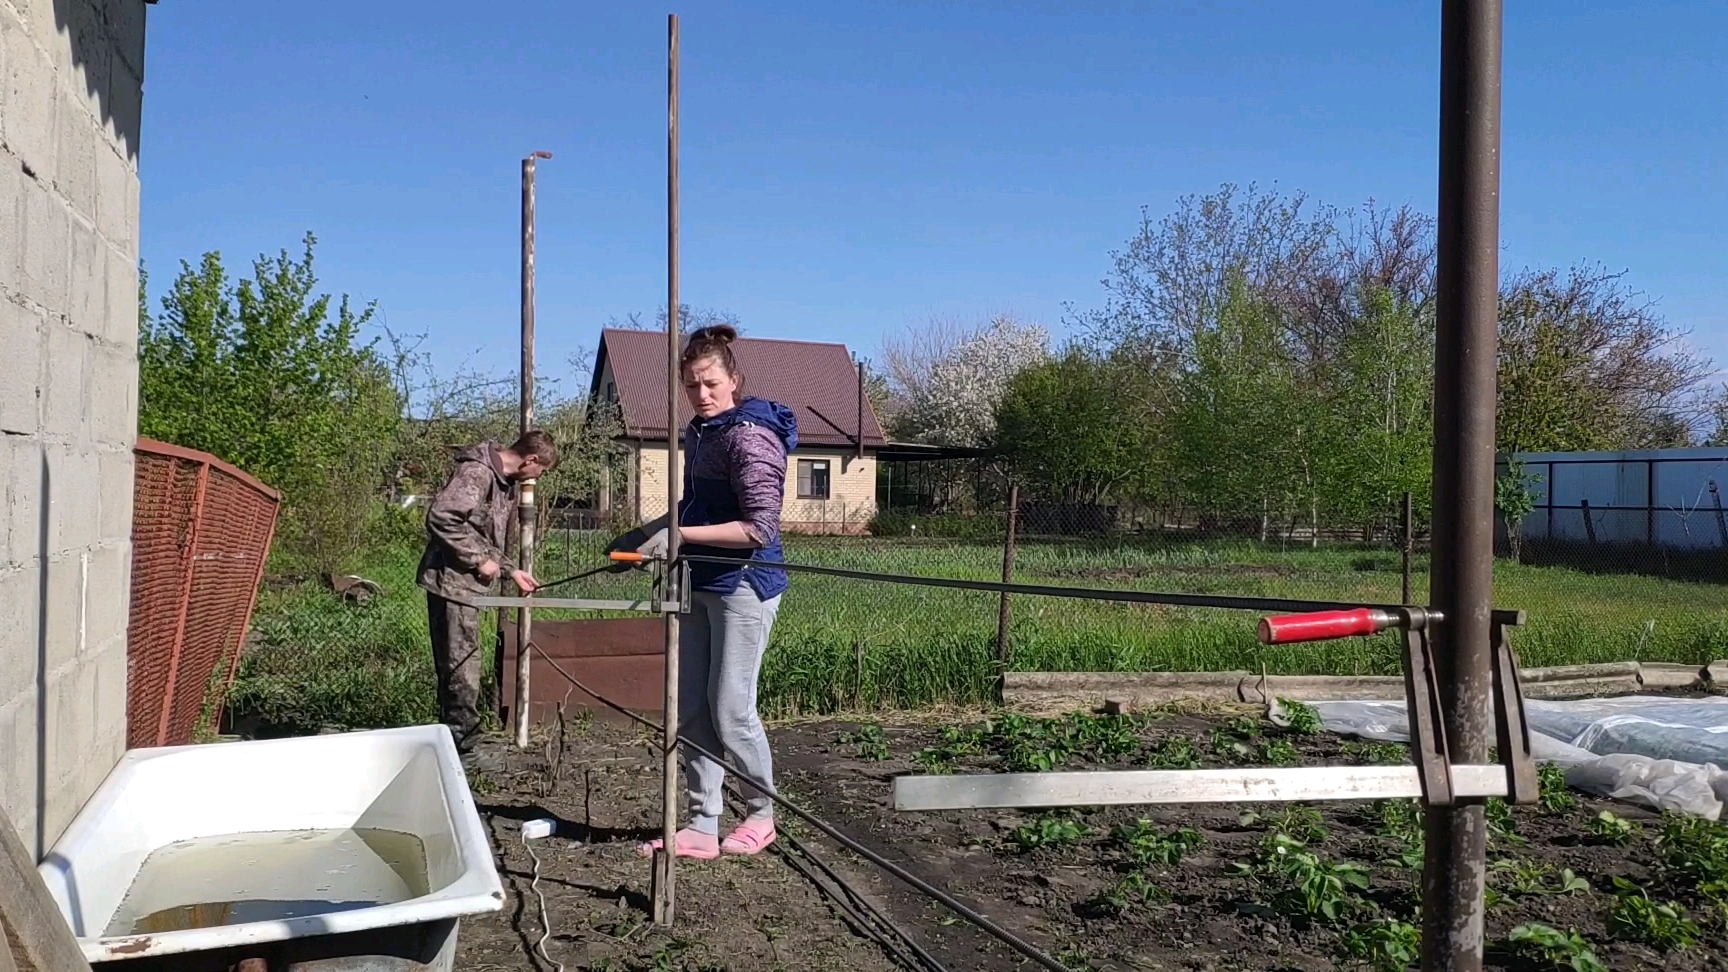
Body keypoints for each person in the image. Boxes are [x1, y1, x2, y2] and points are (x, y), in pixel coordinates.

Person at [611, 324, 797, 859]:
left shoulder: (750, 436)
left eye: (711, 383)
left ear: (733, 379)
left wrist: (679, 536)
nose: (703, 394)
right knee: (691, 705)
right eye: (692, 386)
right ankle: (701, 824)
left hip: (744, 584)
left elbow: (759, 526)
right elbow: (693, 509)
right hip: (699, 577)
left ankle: (761, 816)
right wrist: (646, 534)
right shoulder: (701, 432)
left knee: (731, 710)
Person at [417, 430, 558, 754]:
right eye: (542, 471)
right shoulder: (477, 472)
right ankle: (463, 754)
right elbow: (442, 517)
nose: (539, 478)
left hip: (465, 586)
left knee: (464, 667)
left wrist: (511, 571)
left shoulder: (501, 482)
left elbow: (481, 536)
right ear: (531, 460)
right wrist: (478, 560)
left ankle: (455, 746)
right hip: (451, 584)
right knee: (461, 670)